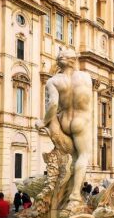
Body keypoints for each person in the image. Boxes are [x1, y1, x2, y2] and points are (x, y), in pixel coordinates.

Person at [35, 48, 93, 208]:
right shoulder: (85, 77)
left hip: (63, 122)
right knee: (83, 156)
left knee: (70, 158)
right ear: (74, 60)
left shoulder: (53, 81)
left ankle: (63, 192)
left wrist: (44, 122)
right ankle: (74, 196)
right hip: (81, 121)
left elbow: (53, 104)